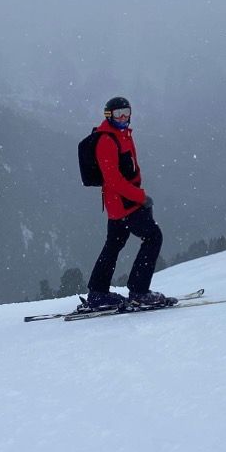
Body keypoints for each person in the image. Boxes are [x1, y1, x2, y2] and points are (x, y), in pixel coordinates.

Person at [85, 96, 174, 310]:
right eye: (118, 113)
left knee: (114, 243)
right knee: (153, 236)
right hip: (124, 203)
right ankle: (139, 291)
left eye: (126, 112)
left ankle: (97, 292)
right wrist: (140, 197)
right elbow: (113, 179)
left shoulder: (121, 134)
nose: (123, 117)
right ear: (109, 115)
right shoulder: (107, 140)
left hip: (121, 203)